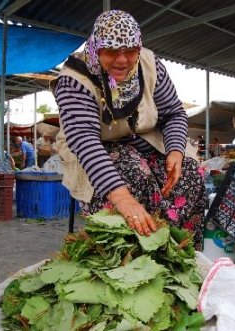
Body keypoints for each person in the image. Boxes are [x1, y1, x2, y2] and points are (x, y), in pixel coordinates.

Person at [53, 10, 204, 249]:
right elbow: (85, 140)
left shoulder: (149, 64)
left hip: (143, 140)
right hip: (95, 149)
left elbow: (174, 113)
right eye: (111, 51)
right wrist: (121, 197)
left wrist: (176, 150)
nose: (122, 60)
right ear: (96, 48)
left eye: (130, 51)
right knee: (134, 172)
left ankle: (176, 251)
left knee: (189, 172)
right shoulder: (75, 79)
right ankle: (135, 254)